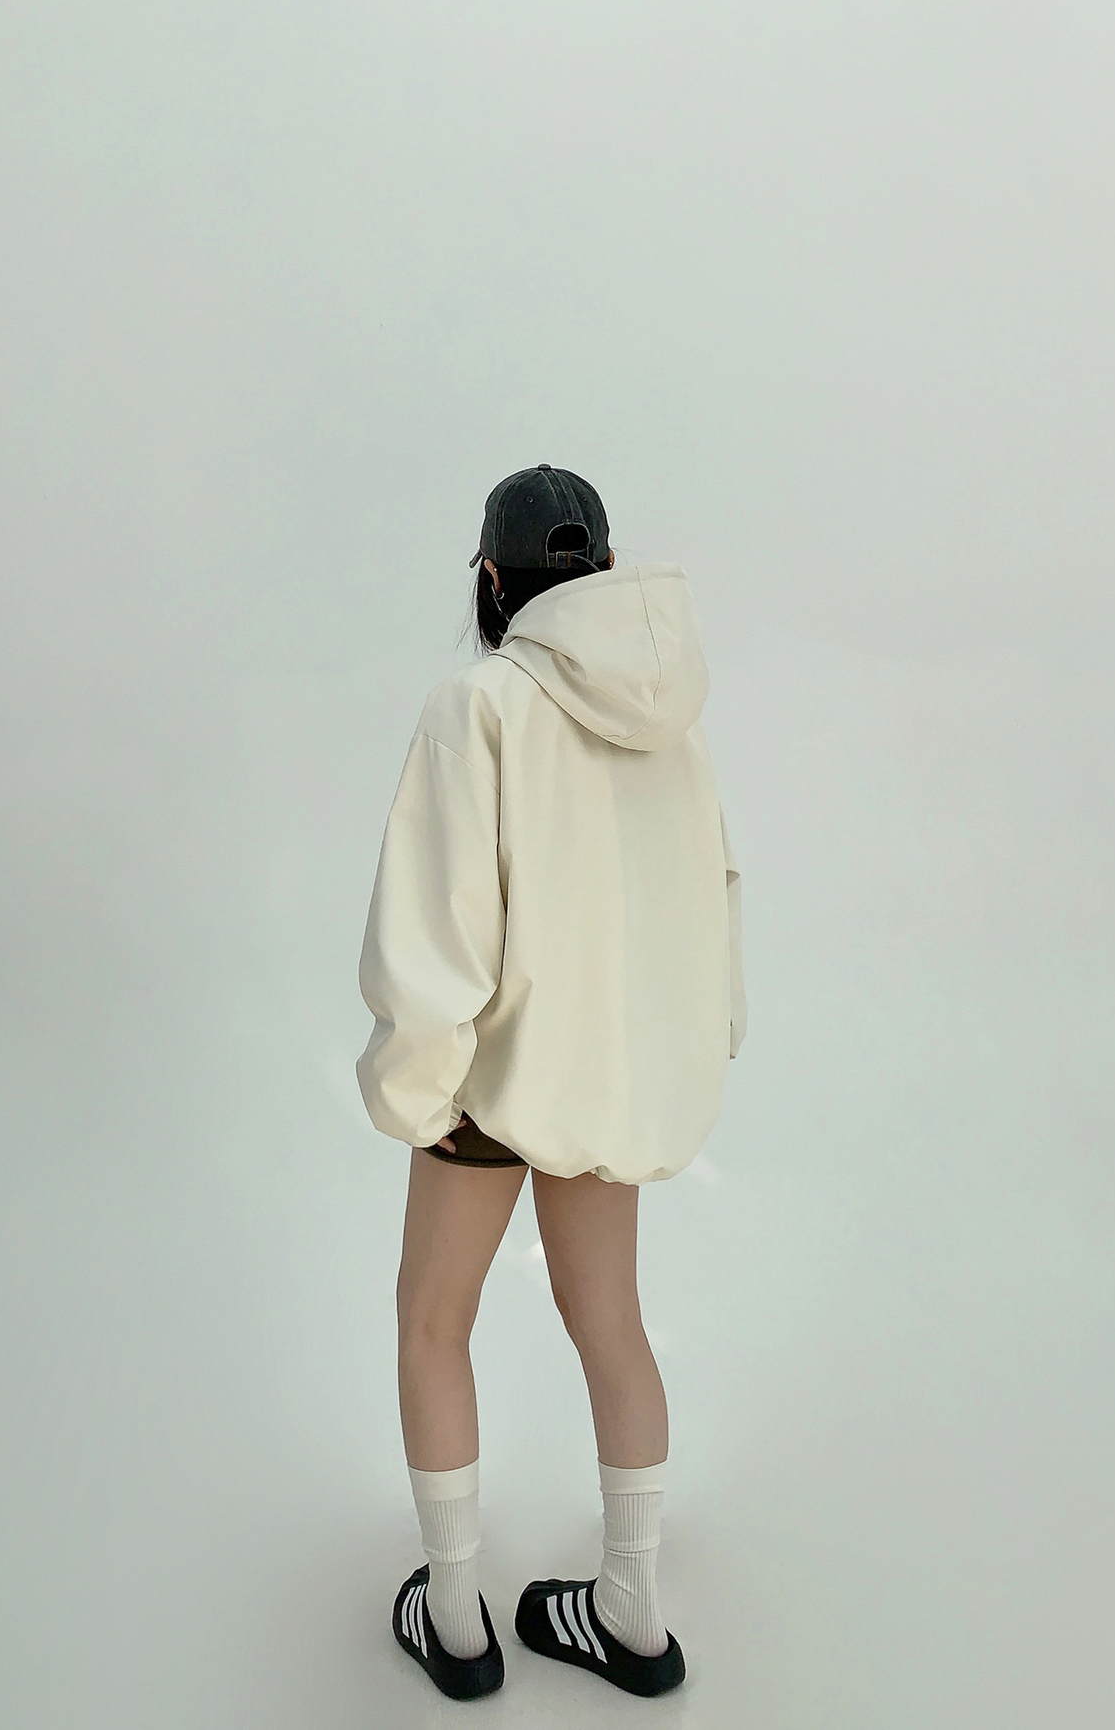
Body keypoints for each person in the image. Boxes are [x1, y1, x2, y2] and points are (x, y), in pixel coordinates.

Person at [355, 464, 746, 1701]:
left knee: (432, 1319)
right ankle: (630, 1610)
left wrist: (415, 1092)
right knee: (612, 1322)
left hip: (487, 1078)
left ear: (490, 579)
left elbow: (438, 927)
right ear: (605, 568)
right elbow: (712, 894)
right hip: (605, 1073)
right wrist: (691, 1045)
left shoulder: (476, 705)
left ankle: (456, 1620)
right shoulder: (673, 716)